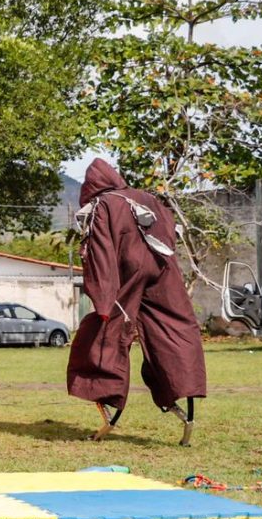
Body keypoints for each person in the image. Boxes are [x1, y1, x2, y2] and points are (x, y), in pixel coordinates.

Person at [66, 159, 207, 445]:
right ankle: (185, 402)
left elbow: (101, 252)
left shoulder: (104, 204)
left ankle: (110, 406)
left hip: (127, 271)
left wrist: (103, 298)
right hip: (162, 267)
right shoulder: (149, 199)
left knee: (107, 334)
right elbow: (169, 235)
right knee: (174, 328)